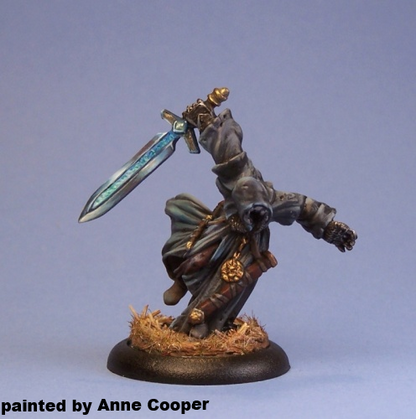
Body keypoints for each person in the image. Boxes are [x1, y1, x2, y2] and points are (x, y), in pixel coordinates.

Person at [161, 102, 357, 339]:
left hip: (250, 247)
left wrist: (329, 227)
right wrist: (207, 121)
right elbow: (227, 146)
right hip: (221, 229)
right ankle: (181, 282)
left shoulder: (275, 201)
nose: (251, 216)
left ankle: (208, 324)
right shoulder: (238, 172)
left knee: (230, 285)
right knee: (194, 257)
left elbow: (305, 207)